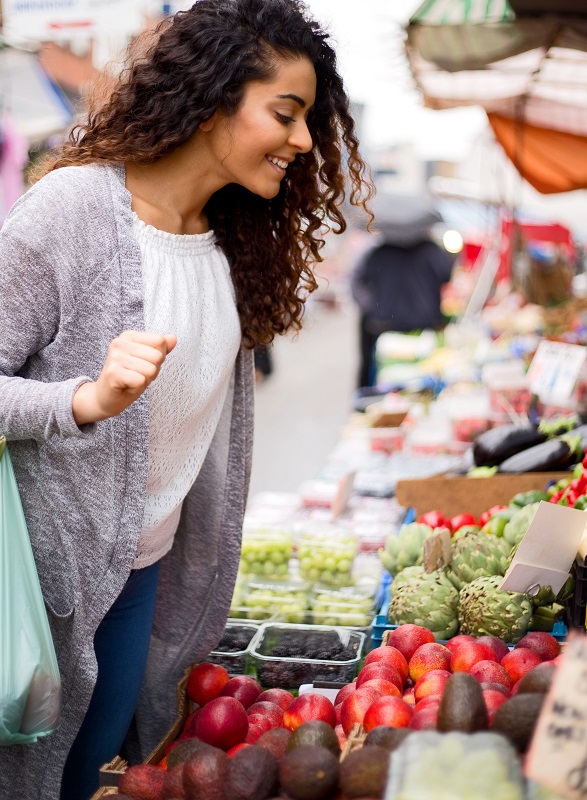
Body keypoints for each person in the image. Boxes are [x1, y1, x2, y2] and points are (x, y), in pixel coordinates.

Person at [0, 2, 372, 798]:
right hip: (39, 591)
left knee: (89, 768)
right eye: (286, 113)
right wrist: (83, 399)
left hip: (145, 579)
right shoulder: (72, 213)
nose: (303, 141)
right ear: (210, 99)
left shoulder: (230, 238)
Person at [351, 236, 454, 388]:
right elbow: (446, 275)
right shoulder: (431, 251)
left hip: (388, 324)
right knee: (421, 380)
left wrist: (374, 307)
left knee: (384, 379)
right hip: (421, 324)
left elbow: (359, 283)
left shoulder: (378, 253)